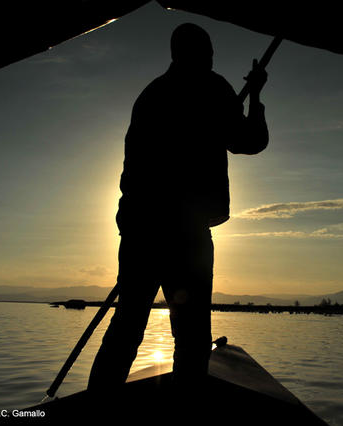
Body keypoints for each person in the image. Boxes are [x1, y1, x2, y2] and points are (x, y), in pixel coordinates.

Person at [88, 22, 269, 393]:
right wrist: (255, 96)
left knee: (126, 329)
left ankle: (97, 408)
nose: (212, 59)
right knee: (191, 337)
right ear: (201, 53)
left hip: (140, 230)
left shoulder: (151, 95)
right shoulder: (213, 88)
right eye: (210, 53)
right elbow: (251, 141)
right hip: (186, 235)